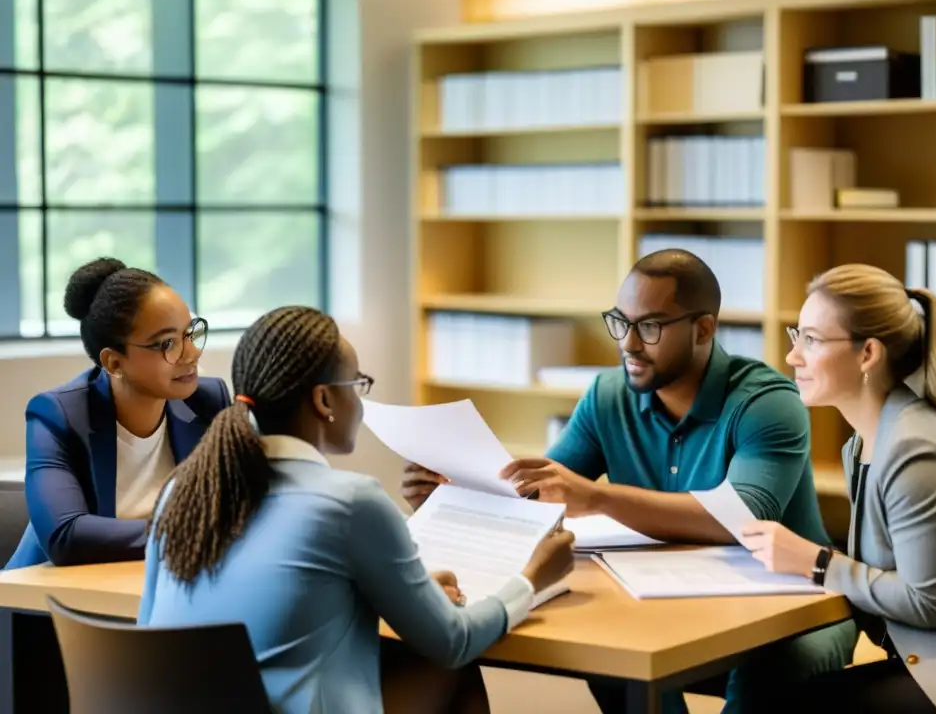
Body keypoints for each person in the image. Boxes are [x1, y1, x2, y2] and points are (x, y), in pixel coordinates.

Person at [402, 249, 858, 714]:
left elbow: (744, 517)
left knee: (769, 669)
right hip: (656, 597)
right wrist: (453, 495)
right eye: (620, 322)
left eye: (650, 327)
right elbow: (540, 494)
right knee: (606, 648)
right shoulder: (608, 395)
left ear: (703, 329)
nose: (628, 344)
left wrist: (596, 496)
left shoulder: (767, 401)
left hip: (794, 608)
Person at [137, 305, 576, 714]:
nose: (361, 401)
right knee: (454, 667)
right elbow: (453, 641)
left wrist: (408, 592)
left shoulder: (184, 488)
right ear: (324, 401)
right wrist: (532, 577)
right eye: (357, 385)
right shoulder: (349, 501)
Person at [741, 264, 936, 714]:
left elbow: (927, 602)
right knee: (771, 687)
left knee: (785, 703)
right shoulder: (865, 441)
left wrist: (816, 562)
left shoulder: (916, 449)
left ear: (867, 353)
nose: (793, 356)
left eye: (811, 340)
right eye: (799, 335)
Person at [6, 256, 227, 570]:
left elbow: (242, 507)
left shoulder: (208, 402)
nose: (191, 354)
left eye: (189, 334)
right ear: (113, 363)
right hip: (45, 604)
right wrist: (188, 532)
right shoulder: (58, 416)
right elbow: (66, 537)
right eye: (167, 343)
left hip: (153, 590)